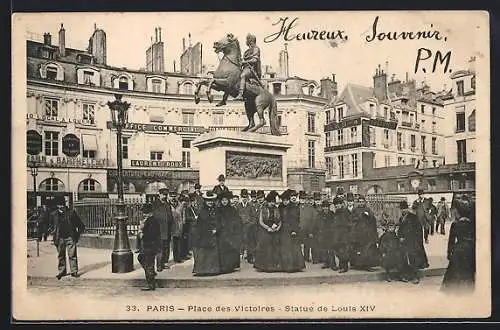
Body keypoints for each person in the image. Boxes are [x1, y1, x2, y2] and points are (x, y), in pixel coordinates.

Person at [441, 195, 475, 293]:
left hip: (459, 251)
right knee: (468, 274)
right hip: (470, 250)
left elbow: (451, 241)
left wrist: (449, 253)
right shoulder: (472, 223)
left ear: (458, 212)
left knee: (454, 275)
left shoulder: (455, 224)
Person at [50, 197, 85, 280]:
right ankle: (62, 271)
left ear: (64, 204)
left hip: (70, 237)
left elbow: (81, 225)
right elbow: (51, 225)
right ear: (57, 206)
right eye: (59, 205)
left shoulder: (71, 213)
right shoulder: (54, 214)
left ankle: (74, 271)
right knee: (61, 255)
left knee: (72, 255)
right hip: (59, 238)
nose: (60, 206)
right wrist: (52, 232)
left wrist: (77, 235)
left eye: (62, 204)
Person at [191, 191, 224, 276]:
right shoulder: (202, 211)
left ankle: (213, 270)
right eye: (208, 201)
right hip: (204, 235)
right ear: (205, 201)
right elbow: (199, 225)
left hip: (214, 234)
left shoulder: (217, 210)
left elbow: (221, 221)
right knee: (204, 253)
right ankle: (203, 270)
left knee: (213, 253)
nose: (210, 202)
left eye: (211, 200)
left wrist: (216, 229)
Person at [398, 200, 429, 284]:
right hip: (404, 242)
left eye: (405, 208)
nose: (404, 210)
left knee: (414, 259)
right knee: (405, 258)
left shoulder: (413, 217)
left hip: (413, 241)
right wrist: (400, 237)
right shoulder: (401, 218)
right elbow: (400, 230)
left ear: (408, 208)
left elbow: (418, 229)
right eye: (402, 209)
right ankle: (407, 275)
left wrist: (418, 241)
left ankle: (415, 277)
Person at [350, 195, 380, 272]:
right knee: (358, 249)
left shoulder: (368, 209)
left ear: (365, 202)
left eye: (362, 202)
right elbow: (352, 220)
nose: (361, 203)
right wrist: (360, 217)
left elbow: (373, 220)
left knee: (367, 250)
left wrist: (368, 216)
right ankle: (358, 265)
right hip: (359, 233)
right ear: (357, 202)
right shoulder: (355, 210)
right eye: (359, 202)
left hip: (367, 233)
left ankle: (367, 266)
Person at [278, 190, 305, 272]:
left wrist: (294, 230)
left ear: (289, 200)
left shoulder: (294, 207)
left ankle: (294, 266)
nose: (285, 202)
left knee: (293, 248)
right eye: (284, 200)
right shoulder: (280, 207)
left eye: (286, 200)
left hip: (291, 230)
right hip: (282, 230)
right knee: (284, 248)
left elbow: (295, 220)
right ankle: (285, 266)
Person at [254, 191, 282, 272]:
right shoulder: (263, 209)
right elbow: (261, 221)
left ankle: (274, 265)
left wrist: (277, 228)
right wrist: (267, 228)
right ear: (267, 201)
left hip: (275, 230)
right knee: (266, 247)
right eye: (270, 202)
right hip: (265, 230)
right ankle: (264, 266)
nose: (272, 203)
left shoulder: (276, 209)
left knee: (275, 247)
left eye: (273, 202)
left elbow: (280, 221)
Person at [137, 203, 161, 291]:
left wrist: (141, 233)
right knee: (141, 258)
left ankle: (150, 284)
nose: (143, 214)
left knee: (148, 263)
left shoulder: (151, 221)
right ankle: (151, 274)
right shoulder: (151, 220)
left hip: (149, 246)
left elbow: (151, 234)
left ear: (148, 213)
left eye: (144, 212)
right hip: (151, 246)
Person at [218, 190, 243, 272]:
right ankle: (224, 266)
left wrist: (233, 227)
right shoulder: (218, 209)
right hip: (222, 232)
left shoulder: (232, 209)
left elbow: (237, 220)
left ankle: (231, 266)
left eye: (225, 200)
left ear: (228, 200)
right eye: (222, 200)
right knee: (222, 249)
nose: (224, 202)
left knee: (231, 248)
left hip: (231, 232)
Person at [234, 33, 262, 101]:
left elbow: (254, 60)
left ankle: (240, 94)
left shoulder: (256, 49)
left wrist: (244, 62)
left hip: (252, 69)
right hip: (245, 68)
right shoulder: (247, 51)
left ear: (251, 41)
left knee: (243, 75)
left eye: (247, 40)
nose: (246, 42)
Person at [152, 188, 173, 272]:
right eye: (163, 194)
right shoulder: (155, 204)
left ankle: (164, 263)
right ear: (159, 194)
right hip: (159, 230)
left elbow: (170, 215)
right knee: (160, 248)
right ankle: (159, 265)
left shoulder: (167, 204)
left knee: (166, 247)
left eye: (166, 194)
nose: (165, 196)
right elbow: (154, 216)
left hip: (167, 229)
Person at [300, 192, 321, 263]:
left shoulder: (311, 208)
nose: (303, 200)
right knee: (304, 244)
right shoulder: (297, 207)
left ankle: (314, 258)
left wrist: (311, 230)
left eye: (304, 199)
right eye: (301, 199)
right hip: (301, 229)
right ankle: (304, 257)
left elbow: (314, 219)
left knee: (311, 244)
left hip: (309, 229)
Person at [238, 189, 257, 263]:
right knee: (241, 239)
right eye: (243, 197)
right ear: (241, 197)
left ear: (247, 198)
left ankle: (249, 254)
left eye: (245, 197)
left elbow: (254, 217)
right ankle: (242, 253)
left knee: (249, 240)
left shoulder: (250, 206)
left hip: (249, 226)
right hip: (240, 226)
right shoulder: (238, 206)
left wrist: (250, 223)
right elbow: (236, 217)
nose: (244, 198)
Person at [319, 200, 337, 270]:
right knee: (324, 250)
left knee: (331, 250)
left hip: (330, 234)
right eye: (324, 207)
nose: (325, 208)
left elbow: (334, 223)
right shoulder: (320, 214)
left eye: (327, 207)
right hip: (323, 234)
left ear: (329, 207)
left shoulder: (332, 214)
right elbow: (318, 224)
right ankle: (326, 263)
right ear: (322, 208)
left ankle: (333, 264)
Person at [170, 193, 185, 263]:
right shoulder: (168, 206)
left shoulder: (180, 205)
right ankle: (175, 257)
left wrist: (182, 224)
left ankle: (178, 257)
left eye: (174, 196)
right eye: (172, 196)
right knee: (174, 243)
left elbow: (183, 216)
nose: (173, 198)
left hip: (179, 226)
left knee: (179, 243)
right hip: (172, 226)